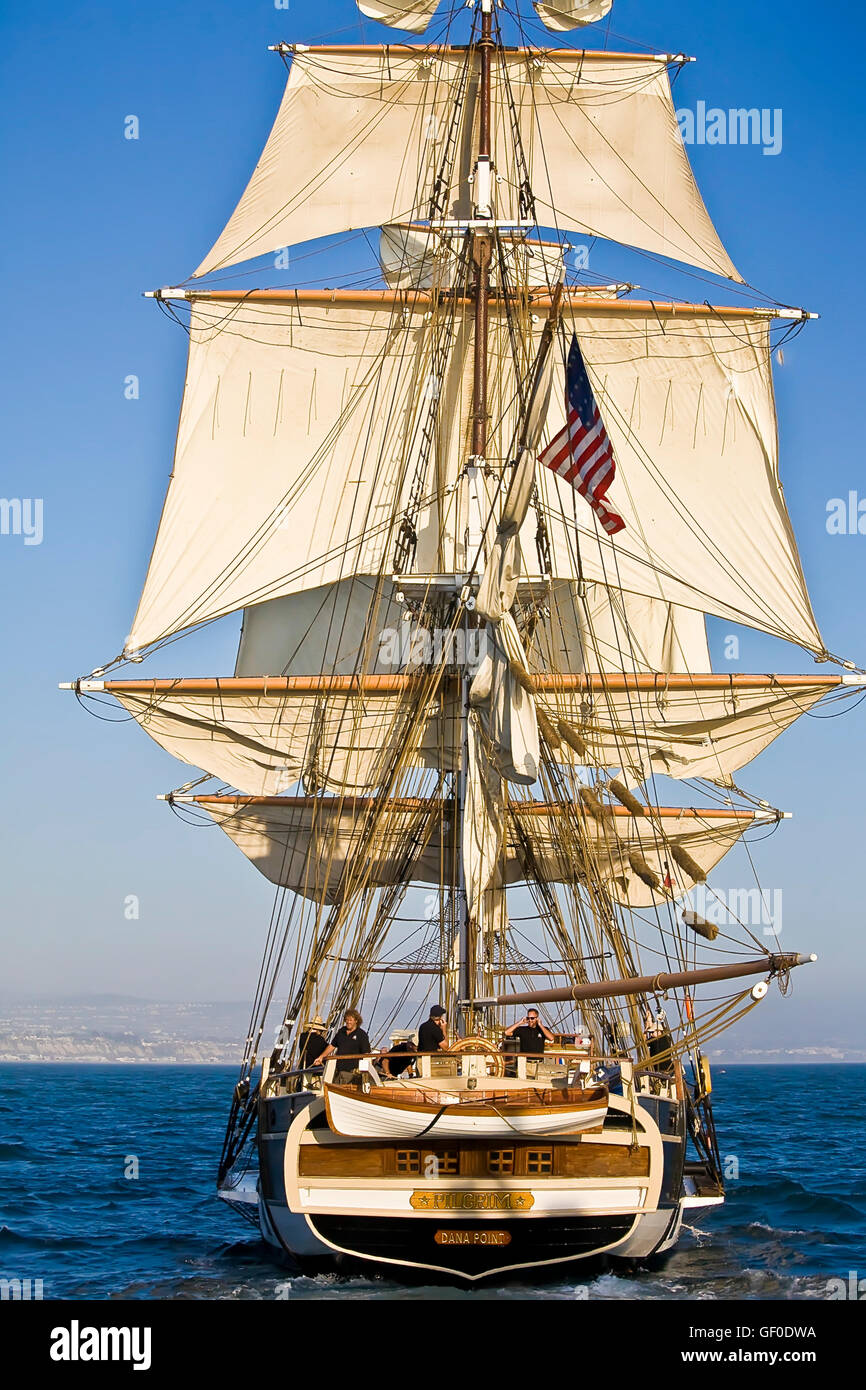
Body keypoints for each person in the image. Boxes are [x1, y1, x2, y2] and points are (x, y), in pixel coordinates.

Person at [314, 1009, 371, 1084]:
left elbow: (366, 1054)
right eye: (346, 1020)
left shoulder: (362, 1035)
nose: (348, 1022)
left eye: (350, 1020)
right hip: (338, 1069)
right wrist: (321, 1057)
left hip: (352, 1072)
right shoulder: (341, 1031)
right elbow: (332, 1046)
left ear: (356, 1021)